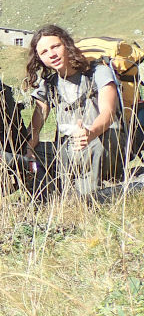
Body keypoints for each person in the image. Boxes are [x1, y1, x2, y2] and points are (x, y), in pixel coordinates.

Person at [25, 25, 123, 196]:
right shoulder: (48, 84)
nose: (52, 54)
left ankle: (89, 193)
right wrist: (28, 149)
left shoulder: (98, 72)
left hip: (103, 141)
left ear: (67, 45)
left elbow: (108, 113)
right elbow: (36, 125)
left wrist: (90, 132)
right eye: (44, 52)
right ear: (39, 58)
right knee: (24, 157)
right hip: (71, 149)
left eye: (56, 46)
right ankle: (49, 198)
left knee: (96, 146)